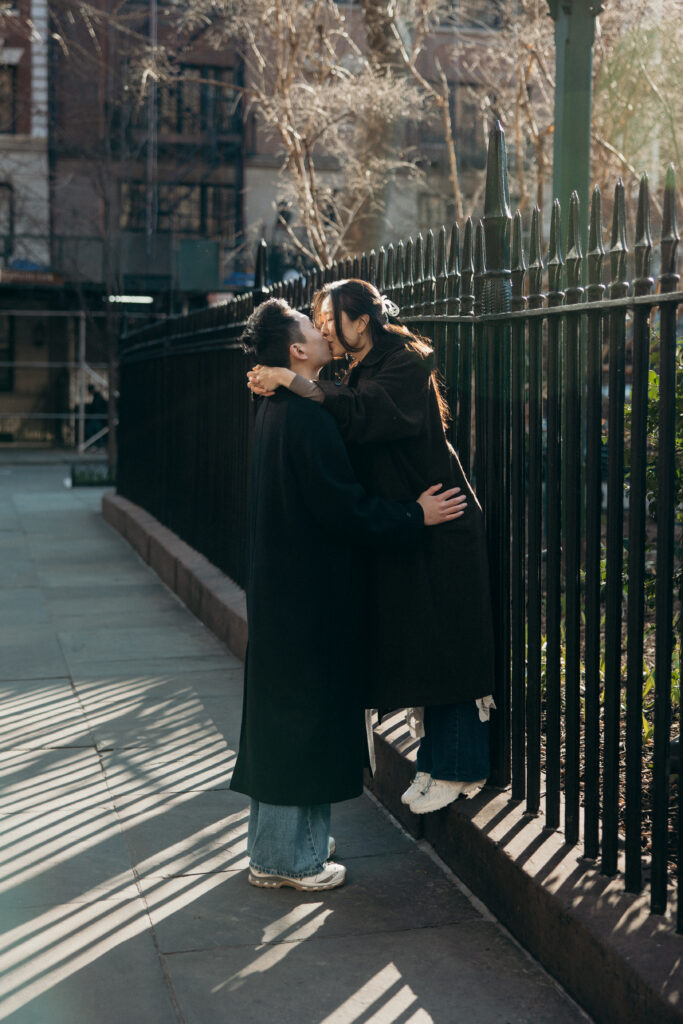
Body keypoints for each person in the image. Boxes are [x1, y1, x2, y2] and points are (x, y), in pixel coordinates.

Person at [229, 297, 467, 892]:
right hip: (309, 596)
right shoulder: (303, 416)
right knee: (302, 724)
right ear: (295, 350)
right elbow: (345, 510)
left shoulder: (277, 406)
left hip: (284, 591)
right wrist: (414, 515)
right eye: (312, 327)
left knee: (284, 720)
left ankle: (280, 846)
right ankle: (289, 860)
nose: (324, 331)